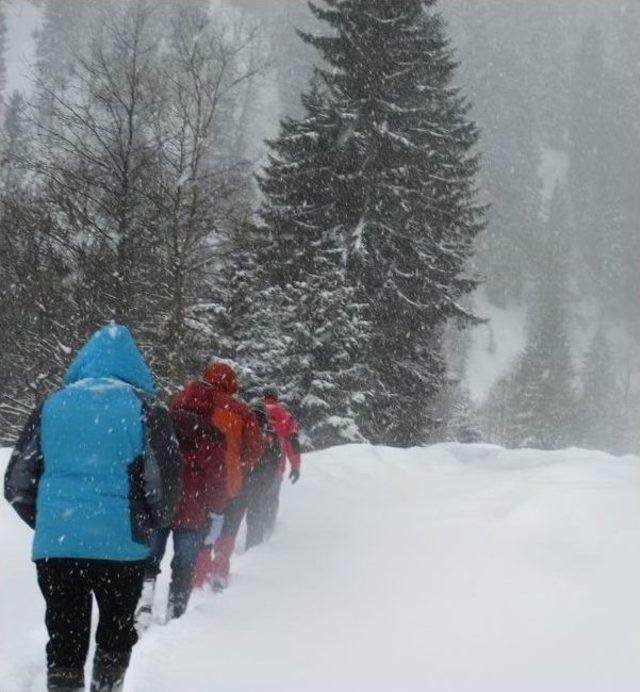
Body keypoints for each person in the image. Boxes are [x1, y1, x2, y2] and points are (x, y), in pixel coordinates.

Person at [4, 324, 182, 692]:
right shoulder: (147, 409)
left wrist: (52, 521)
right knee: (116, 634)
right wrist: (145, 523)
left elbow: (17, 483)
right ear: (135, 367)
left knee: (65, 639)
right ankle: (107, 685)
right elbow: (163, 489)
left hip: (59, 548)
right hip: (122, 550)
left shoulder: (51, 405)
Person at [136, 374, 229, 625]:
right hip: (193, 509)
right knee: (184, 564)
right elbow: (217, 482)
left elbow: (147, 462)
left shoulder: (162, 423)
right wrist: (217, 513)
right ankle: (176, 611)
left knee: (149, 558)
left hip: (160, 503)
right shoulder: (212, 435)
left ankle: (143, 602)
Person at [190, 361, 264, 592]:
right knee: (229, 525)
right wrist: (243, 465)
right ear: (232, 382)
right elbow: (256, 447)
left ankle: (197, 576)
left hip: (201, 476)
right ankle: (219, 570)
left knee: (201, 525)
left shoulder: (197, 402)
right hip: (230, 478)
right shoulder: (242, 410)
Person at [245, 389, 301, 549]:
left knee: (255, 501)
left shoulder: (254, 412)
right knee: (271, 499)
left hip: (253, 465)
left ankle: (254, 537)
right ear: (276, 399)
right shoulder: (286, 417)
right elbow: (293, 444)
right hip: (276, 466)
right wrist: (295, 467)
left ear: (264, 397)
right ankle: (268, 534)